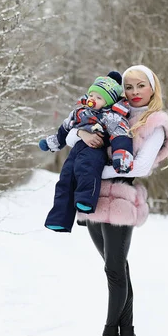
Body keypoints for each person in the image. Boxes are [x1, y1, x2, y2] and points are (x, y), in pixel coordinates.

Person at [64, 64, 168, 336]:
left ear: (153, 88)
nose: (135, 92)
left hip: (122, 200)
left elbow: (138, 167)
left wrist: (92, 172)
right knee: (118, 271)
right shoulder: (112, 112)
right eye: (129, 87)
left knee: (114, 271)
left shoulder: (155, 123)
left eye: (141, 86)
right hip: (92, 200)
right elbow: (72, 138)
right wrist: (83, 134)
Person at [38, 74, 134, 233]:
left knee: (86, 170)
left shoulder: (112, 116)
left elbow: (121, 136)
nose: (93, 99)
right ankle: (59, 218)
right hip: (76, 150)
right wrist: (53, 142)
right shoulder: (79, 112)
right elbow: (64, 129)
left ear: (109, 101)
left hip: (95, 150)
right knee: (65, 178)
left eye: (99, 97)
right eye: (91, 95)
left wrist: (122, 155)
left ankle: (86, 200)